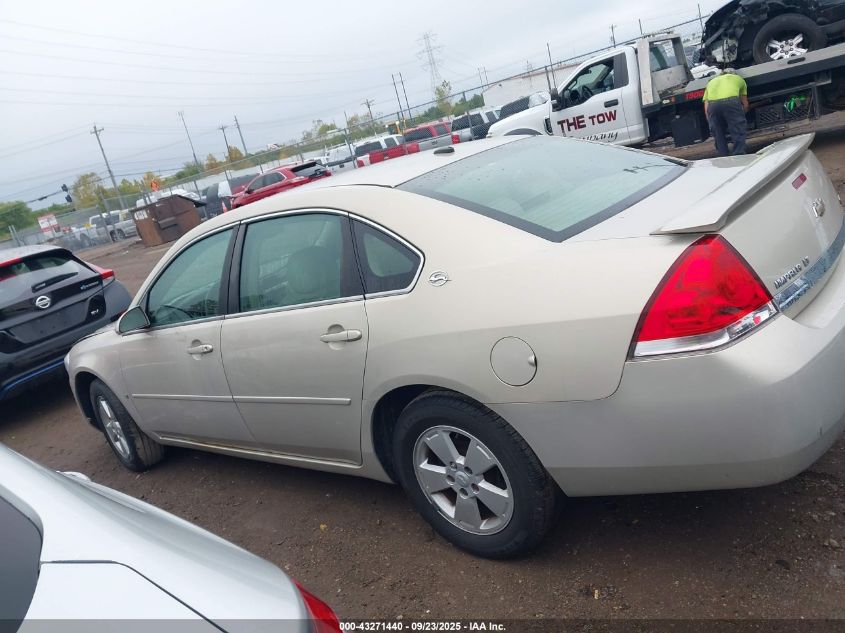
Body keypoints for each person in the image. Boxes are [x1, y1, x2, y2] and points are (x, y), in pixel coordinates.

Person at [702, 68, 749, 156]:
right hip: (731, 102)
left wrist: (710, 120)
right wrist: (742, 115)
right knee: (737, 128)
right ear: (734, 74)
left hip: (713, 105)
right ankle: (739, 154)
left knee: (718, 132)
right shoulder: (739, 79)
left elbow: (706, 105)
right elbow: (745, 103)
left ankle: (723, 154)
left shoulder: (711, 82)